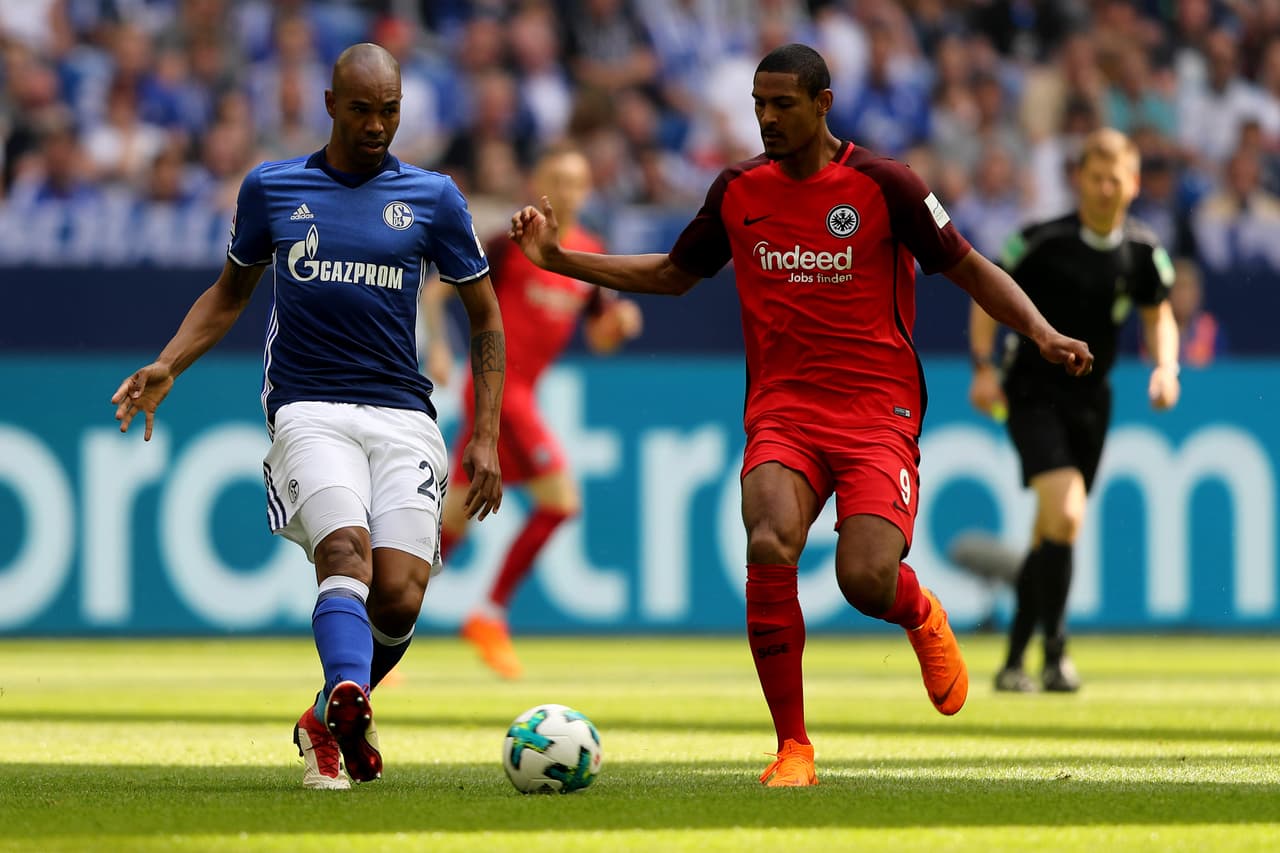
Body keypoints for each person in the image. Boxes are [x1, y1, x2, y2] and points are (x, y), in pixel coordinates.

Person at [509, 43, 1093, 788]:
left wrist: (1040, 332)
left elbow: (969, 266)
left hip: (878, 411)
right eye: (758, 104)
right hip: (784, 409)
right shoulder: (738, 190)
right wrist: (561, 261)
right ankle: (794, 746)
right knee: (769, 538)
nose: (767, 118)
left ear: (823, 103)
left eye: (783, 104)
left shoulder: (888, 185)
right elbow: (672, 274)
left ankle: (919, 612)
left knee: (865, 577)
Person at [110, 43, 506, 790]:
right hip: (308, 407)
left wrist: (485, 431)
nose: (376, 126)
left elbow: (485, 316)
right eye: (361, 110)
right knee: (346, 552)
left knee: (399, 595)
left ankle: (326, 714)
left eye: (389, 111)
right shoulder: (272, 188)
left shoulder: (434, 198)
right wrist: (169, 360)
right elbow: (229, 293)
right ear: (329, 104)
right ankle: (349, 703)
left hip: (404, 412)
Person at [966, 127, 1180, 694]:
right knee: (1066, 511)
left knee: (1051, 530)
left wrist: (1166, 368)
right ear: (1078, 180)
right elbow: (987, 295)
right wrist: (984, 367)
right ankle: (1057, 654)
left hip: (1093, 402)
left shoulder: (1142, 253)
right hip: (1033, 393)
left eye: (1116, 178)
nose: (1105, 188)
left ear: (1133, 184)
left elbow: (1159, 315)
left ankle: (1014, 661)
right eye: (1095, 177)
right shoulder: (1040, 241)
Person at [426, 144, 643, 679]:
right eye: (556, 179)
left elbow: (598, 335)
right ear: (538, 183)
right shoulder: (511, 241)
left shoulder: (587, 253)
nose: (566, 191)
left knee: (455, 517)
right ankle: (489, 614)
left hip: (520, 395)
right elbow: (436, 294)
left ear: (588, 189)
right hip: (498, 392)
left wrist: (619, 327)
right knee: (561, 499)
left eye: (576, 181)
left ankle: (379, 618)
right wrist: (435, 346)